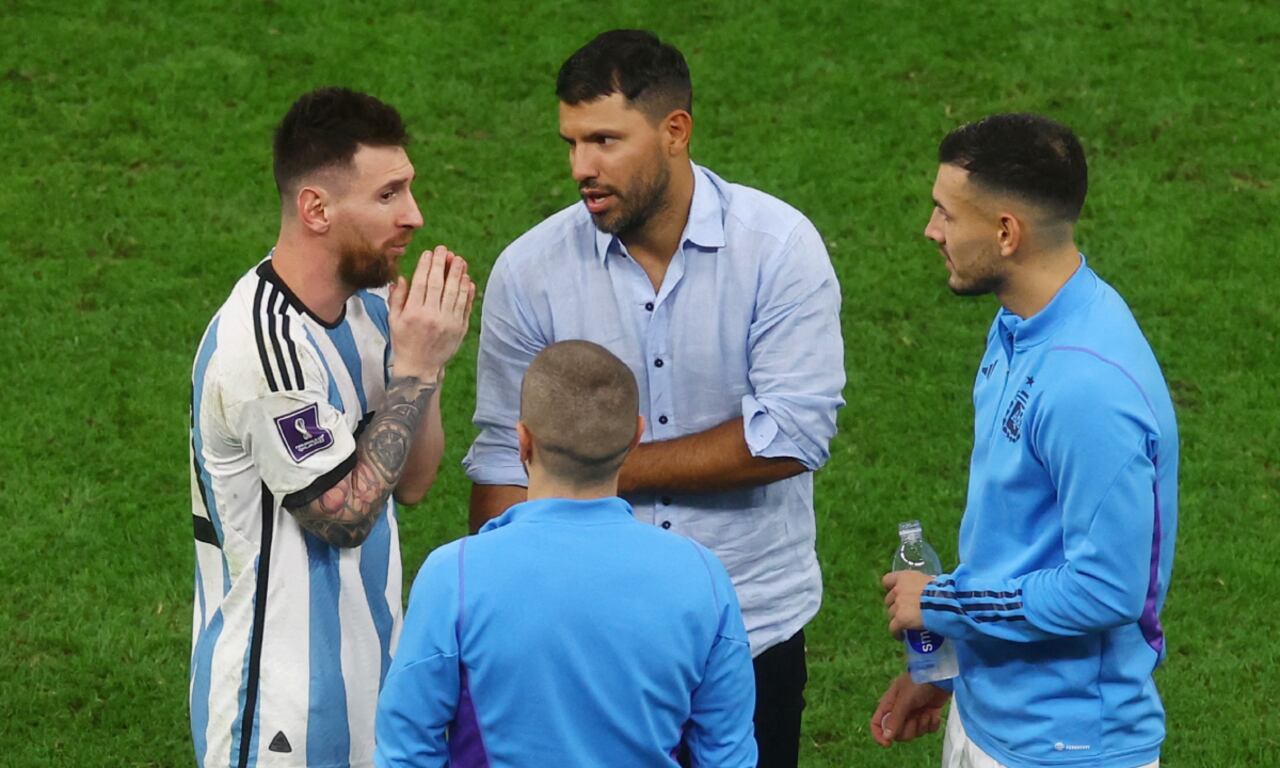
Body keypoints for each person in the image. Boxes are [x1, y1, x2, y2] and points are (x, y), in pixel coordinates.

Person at [462, 29, 845, 766]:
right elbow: (499, 468)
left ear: (675, 131)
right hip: (581, 638)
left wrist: (596, 467)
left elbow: (792, 435)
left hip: (748, 630)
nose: (582, 167)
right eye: (572, 142)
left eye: (605, 140)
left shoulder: (779, 250)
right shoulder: (529, 271)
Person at [872, 113, 1178, 768]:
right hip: (992, 717)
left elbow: (1106, 589)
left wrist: (943, 601)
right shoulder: (1018, 326)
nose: (931, 230)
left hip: (1065, 749)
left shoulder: (1087, 384)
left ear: (1006, 232)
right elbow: (1020, 539)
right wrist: (947, 667)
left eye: (946, 214)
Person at [188, 87, 474, 768]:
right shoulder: (262, 348)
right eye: (388, 195)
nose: (414, 215)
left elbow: (412, 481)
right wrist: (414, 372)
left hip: (374, 675)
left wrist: (421, 368)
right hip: (280, 713)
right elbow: (342, 516)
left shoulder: (370, 307)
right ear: (316, 208)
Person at [375, 340, 758, 767]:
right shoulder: (702, 577)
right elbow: (727, 754)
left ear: (523, 442)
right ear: (635, 437)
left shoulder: (454, 576)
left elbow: (406, 749)